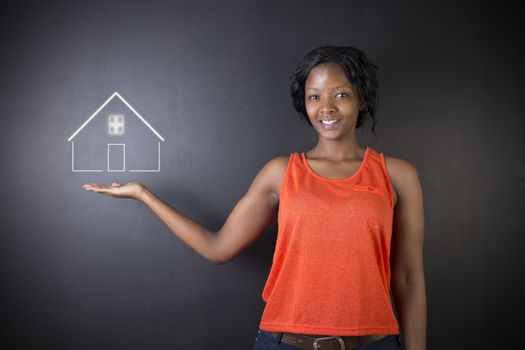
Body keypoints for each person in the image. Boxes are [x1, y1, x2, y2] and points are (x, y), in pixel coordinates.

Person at [83, 45, 426, 350]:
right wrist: (144, 195)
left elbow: (408, 278)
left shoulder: (396, 175)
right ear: (303, 102)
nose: (327, 108)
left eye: (341, 95)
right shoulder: (281, 173)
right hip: (286, 343)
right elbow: (218, 248)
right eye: (314, 96)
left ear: (361, 98)